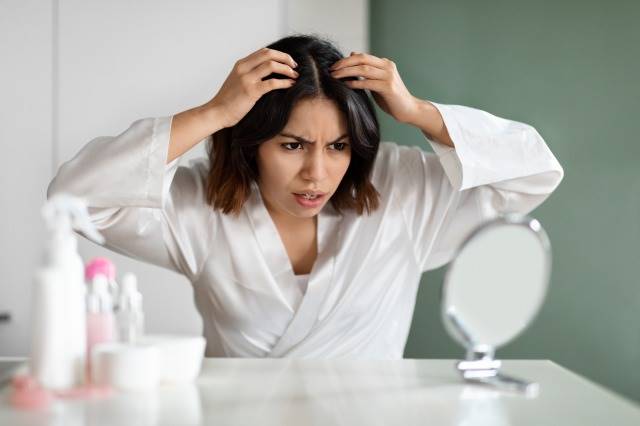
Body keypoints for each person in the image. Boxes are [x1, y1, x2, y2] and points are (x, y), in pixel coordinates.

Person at [47, 35, 564, 359]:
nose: (317, 173)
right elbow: (73, 200)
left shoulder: (403, 189)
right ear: (252, 143)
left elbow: (533, 172)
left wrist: (416, 111)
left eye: (338, 146)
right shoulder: (200, 206)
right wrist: (214, 113)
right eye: (292, 145)